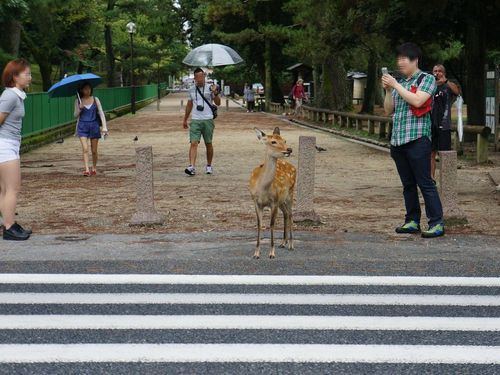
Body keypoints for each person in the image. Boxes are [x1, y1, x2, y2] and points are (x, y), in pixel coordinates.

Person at [382, 42, 444, 238]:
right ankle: (412, 220)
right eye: (398, 59)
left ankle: (436, 223)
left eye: (404, 59)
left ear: (415, 60)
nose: (400, 62)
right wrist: (388, 91)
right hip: (398, 140)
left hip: (417, 138)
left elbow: (418, 100)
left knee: (425, 182)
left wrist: (396, 85)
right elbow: (388, 110)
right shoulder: (400, 83)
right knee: (408, 184)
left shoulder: (427, 79)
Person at [0, 58, 32, 240]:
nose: (30, 77)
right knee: (12, 188)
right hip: (5, 145)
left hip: (8, 144)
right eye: (26, 74)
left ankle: (8, 223)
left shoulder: (16, 95)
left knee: (4, 189)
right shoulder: (10, 96)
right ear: (14, 76)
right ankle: (10, 227)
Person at [183, 67, 221, 176]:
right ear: (194, 78)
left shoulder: (210, 88)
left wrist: (216, 93)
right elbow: (189, 105)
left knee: (208, 143)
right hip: (195, 119)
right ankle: (191, 167)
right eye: (197, 77)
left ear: (204, 76)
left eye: (201, 76)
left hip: (208, 119)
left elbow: (218, 103)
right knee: (193, 143)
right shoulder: (191, 89)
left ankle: (209, 165)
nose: (199, 79)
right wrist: (185, 119)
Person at [430, 64, 461, 181]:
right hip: (430, 124)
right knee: (430, 153)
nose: (437, 73)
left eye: (440, 71)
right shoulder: (429, 86)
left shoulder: (448, 86)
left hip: (444, 125)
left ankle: (446, 181)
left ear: (444, 73)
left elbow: (457, 91)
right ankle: (431, 178)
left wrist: (446, 81)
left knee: (445, 154)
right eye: (435, 71)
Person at [74, 82, 108, 176]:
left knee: (94, 150)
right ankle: (86, 169)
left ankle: (94, 167)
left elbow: (101, 113)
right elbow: (75, 115)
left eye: (89, 88)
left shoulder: (95, 99)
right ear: (81, 90)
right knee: (85, 148)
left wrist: (104, 127)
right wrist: (79, 109)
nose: (87, 91)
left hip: (94, 126)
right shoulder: (78, 101)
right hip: (82, 126)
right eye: (85, 89)